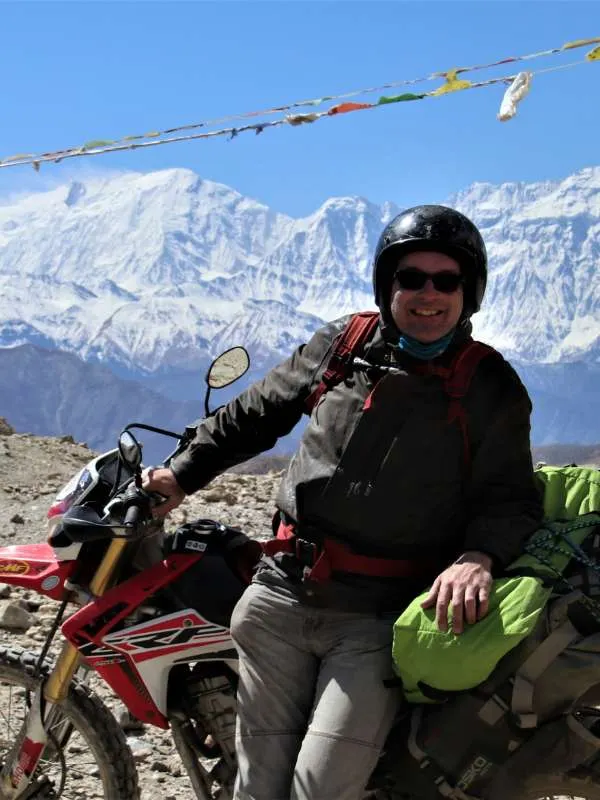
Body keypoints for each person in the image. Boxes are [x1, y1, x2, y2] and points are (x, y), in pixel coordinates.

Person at [144, 205, 543, 800]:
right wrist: (179, 475)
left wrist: (479, 556)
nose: (428, 294)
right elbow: (255, 414)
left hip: (377, 620)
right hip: (280, 596)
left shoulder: (489, 385)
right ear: (387, 285)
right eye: (411, 278)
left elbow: (511, 497)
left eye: (447, 281)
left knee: (321, 789)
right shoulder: (343, 345)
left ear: (470, 293)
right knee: (258, 787)